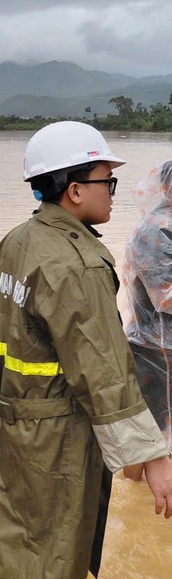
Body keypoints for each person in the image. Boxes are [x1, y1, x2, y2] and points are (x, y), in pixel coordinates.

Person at [0, 121, 172, 579]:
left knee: (10, 535)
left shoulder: (15, 241)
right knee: (45, 551)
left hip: (13, 421)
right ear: (74, 191)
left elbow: (0, 330)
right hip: (56, 436)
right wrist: (154, 455)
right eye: (105, 182)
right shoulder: (79, 262)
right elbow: (106, 372)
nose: (114, 194)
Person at [122, 159, 172, 481]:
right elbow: (165, 296)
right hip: (153, 351)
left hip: (163, 350)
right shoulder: (156, 230)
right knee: (145, 437)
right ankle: (132, 504)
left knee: (161, 433)